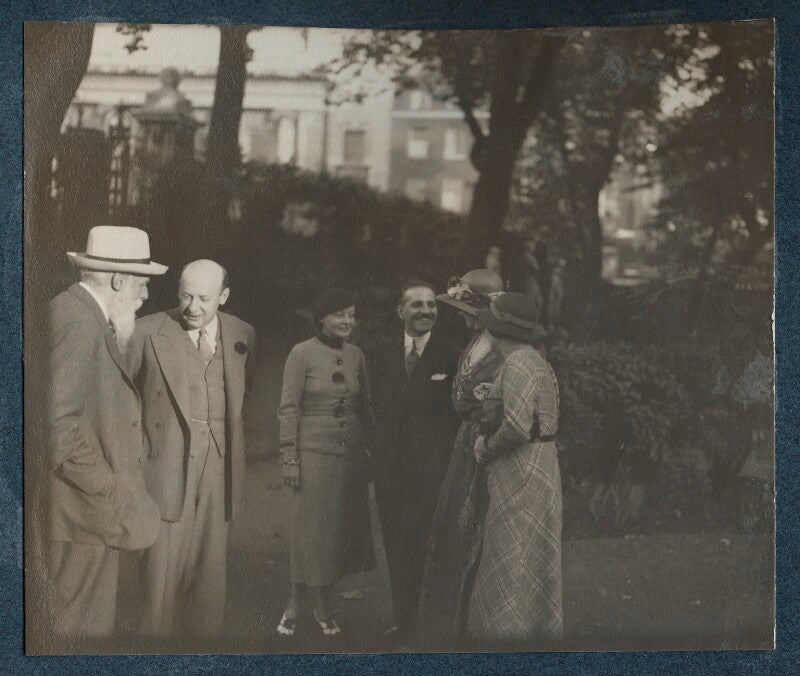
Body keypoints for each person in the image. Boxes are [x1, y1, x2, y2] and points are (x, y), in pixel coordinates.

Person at [47, 225, 166, 638]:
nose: (146, 296)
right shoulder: (79, 321)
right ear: (117, 280)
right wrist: (112, 490)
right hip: (83, 515)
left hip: (85, 514)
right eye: (142, 284)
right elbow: (59, 432)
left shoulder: (80, 313)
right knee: (78, 634)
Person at [128, 259, 257, 636]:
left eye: (204, 298)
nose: (193, 307)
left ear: (224, 297)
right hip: (164, 470)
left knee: (210, 583)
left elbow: (244, 391)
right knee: (159, 583)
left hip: (220, 470)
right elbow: (123, 400)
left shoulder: (243, 334)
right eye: (186, 295)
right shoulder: (146, 331)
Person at [276, 288, 375, 637]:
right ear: (322, 318)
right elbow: (289, 408)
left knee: (336, 536)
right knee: (309, 533)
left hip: (348, 457)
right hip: (312, 455)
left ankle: (323, 602)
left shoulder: (357, 355)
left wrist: (370, 452)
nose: (347, 321)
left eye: (351, 314)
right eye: (339, 315)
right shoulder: (300, 354)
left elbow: (366, 407)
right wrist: (289, 458)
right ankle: (297, 603)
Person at [415, 269, 506, 646]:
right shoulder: (475, 342)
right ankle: (445, 626)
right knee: (453, 529)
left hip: (486, 445)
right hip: (464, 444)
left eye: (466, 309)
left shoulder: (503, 348)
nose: (461, 317)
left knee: (476, 531)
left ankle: (472, 624)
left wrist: (478, 409)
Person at [468, 292, 562, 646]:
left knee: (512, 556)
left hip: (522, 469)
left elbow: (518, 427)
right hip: (539, 466)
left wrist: (485, 449)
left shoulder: (519, 363)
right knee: (528, 554)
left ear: (496, 331)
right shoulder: (535, 360)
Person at [368, 280, 460, 641]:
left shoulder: (452, 355)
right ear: (400, 312)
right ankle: (404, 621)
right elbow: (371, 408)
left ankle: (432, 626)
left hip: (435, 472)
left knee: (432, 548)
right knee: (397, 546)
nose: (426, 311)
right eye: (417, 305)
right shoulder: (379, 354)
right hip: (391, 473)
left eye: (431, 305)